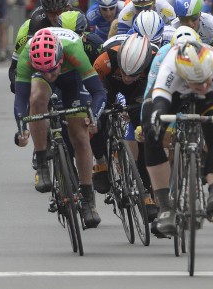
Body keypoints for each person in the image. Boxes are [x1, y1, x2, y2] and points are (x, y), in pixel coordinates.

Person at [13, 28, 107, 228]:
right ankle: (41, 162)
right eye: (43, 70)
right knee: (36, 99)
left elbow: (98, 92)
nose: (49, 75)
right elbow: (20, 101)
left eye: (51, 70)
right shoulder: (27, 59)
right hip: (42, 75)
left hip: (71, 77)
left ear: (60, 57)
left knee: (80, 135)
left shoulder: (73, 51)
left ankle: (88, 197)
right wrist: (22, 130)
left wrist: (94, 118)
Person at [142, 40, 213, 236]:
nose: (201, 85)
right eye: (196, 81)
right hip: (174, 93)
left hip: (209, 98)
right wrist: (156, 125)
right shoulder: (170, 66)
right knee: (152, 137)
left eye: (205, 80)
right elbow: (160, 101)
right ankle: (166, 208)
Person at [91, 33, 159, 221]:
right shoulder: (106, 58)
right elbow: (90, 87)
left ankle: (145, 192)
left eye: (133, 74)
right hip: (108, 85)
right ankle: (101, 163)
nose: (127, 78)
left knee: (144, 132)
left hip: (140, 90)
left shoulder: (155, 59)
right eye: (124, 72)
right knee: (97, 119)